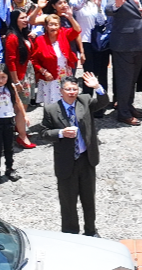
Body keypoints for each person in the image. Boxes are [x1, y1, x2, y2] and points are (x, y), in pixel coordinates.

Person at [42, 69, 103, 236]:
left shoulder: (85, 101)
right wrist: (61, 133)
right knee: (68, 202)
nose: (72, 92)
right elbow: (44, 133)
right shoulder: (51, 110)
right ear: (61, 91)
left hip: (86, 160)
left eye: (75, 89)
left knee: (88, 199)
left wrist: (97, 87)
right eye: (68, 89)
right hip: (66, 163)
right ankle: (70, 234)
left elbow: (103, 102)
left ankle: (91, 230)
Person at [104, 0, 142, 121]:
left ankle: (128, 106)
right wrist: (116, 6)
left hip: (138, 43)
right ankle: (123, 113)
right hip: (124, 45)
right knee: (124, 80)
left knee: (132, 80)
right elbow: (109, 8)